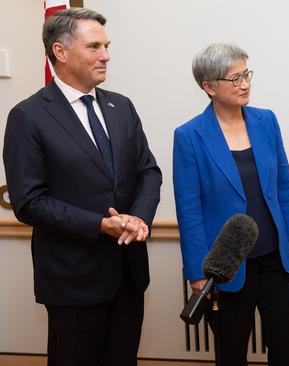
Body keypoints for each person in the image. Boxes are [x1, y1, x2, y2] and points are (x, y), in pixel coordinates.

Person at [3, 8, 162, 366]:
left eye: (106, 46)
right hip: (72, 280)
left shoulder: (121, 107)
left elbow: (149, 171)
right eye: (94, 46)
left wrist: (139, 218)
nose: (106, 55)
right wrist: (99, 225)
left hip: (128, 275)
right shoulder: (28, 116)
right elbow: (29, 201)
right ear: (60, 51)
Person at [173, 43, 289, 366]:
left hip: (275, 256)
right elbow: (188, 209)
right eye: (235, 79)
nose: (245, 84)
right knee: (231, 351)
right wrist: (196, 271)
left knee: (285, 347)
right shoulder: (189, 135)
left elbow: (283, 185)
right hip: (226, 265)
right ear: (209, 87)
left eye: (246, 74)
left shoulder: (266, 121)